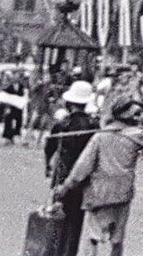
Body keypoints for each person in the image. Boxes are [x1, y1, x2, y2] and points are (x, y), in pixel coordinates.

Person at [54, 97, 143, 256]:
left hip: (99, 193)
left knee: (93, 237)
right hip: (122, 193)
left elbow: (82, 167)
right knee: (117, 239)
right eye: (135, 115)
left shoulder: (100, 137)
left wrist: (65, 186)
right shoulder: (135, 134)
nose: (137, 118)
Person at [46, 81, 98, 256]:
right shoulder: (93, 127)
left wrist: (47, 165)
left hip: (62, 177)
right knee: (75, 224)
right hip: (82, 180)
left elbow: (49, 146)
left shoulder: (63, 124)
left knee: (56, 220)